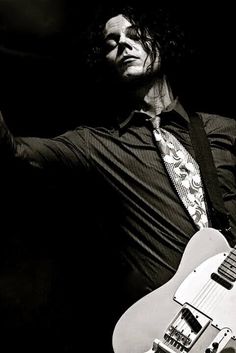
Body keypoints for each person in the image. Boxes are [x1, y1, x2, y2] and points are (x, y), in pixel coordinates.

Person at [0, 3, 235, 353]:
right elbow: (16, 152)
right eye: (111, 42)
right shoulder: (97, 144)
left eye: (135, 34)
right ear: (104, 61)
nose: (123, 44)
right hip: (174, 331)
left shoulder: (224, 131)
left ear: (163, 43)